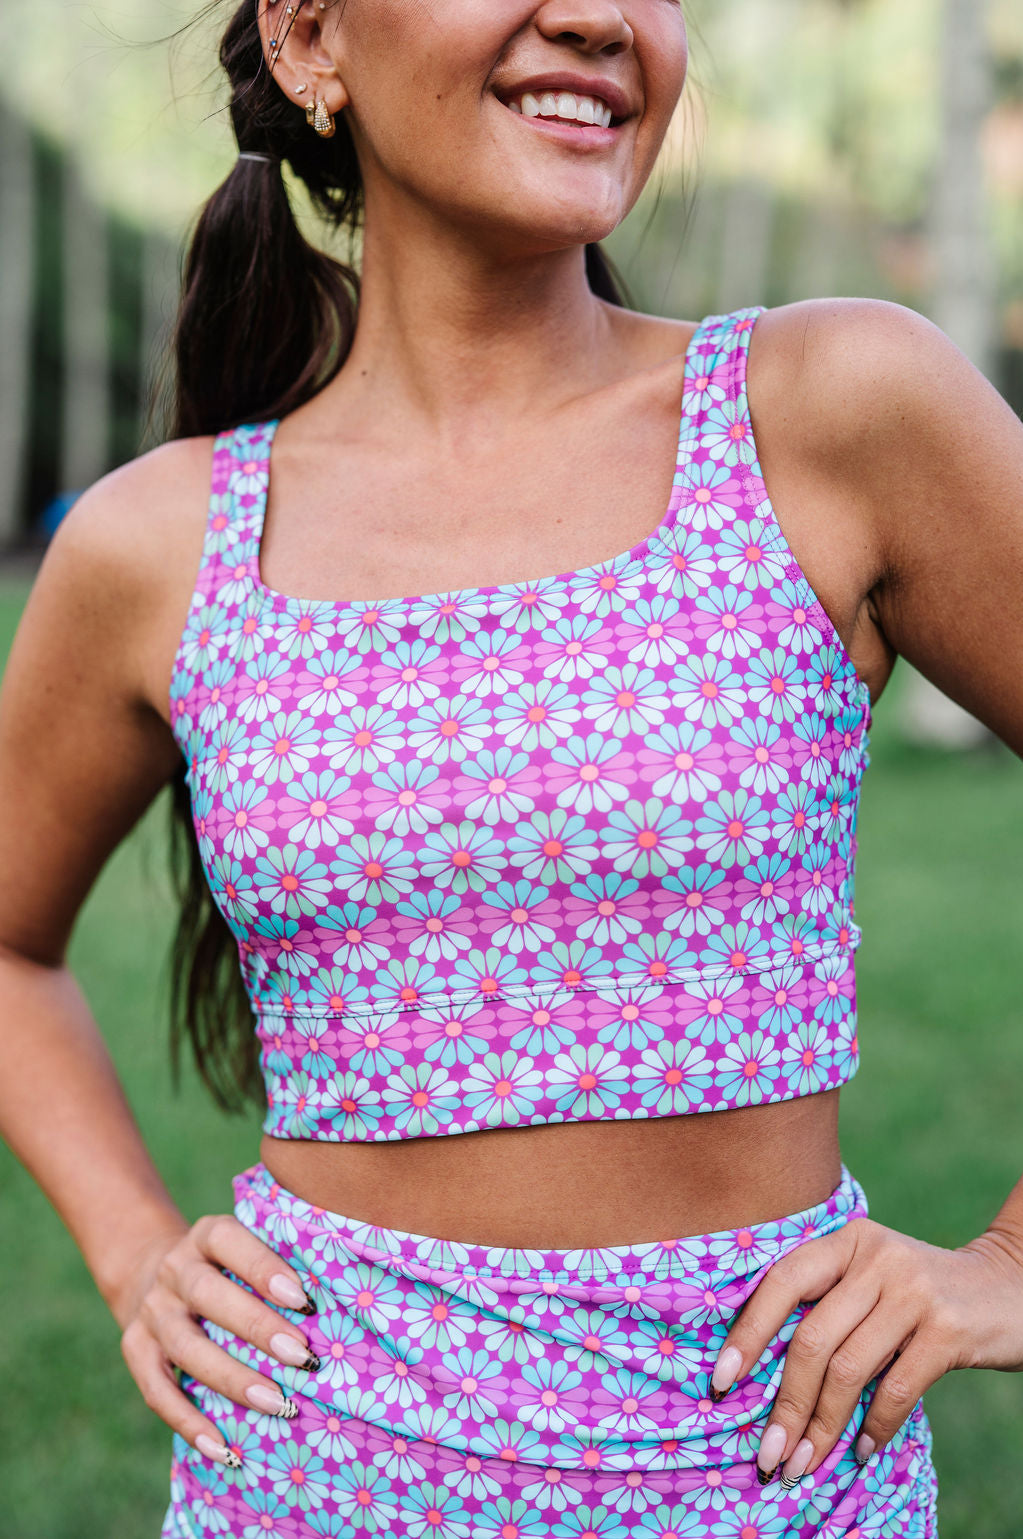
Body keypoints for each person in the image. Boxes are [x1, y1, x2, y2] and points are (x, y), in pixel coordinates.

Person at [1, 0, 1022, 1534]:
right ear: (308, 41)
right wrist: (136, 1248)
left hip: (767, 1485)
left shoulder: (829, 413)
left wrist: (1008, 1266)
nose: (598, 17)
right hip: (312, 1475)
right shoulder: (162, 543)